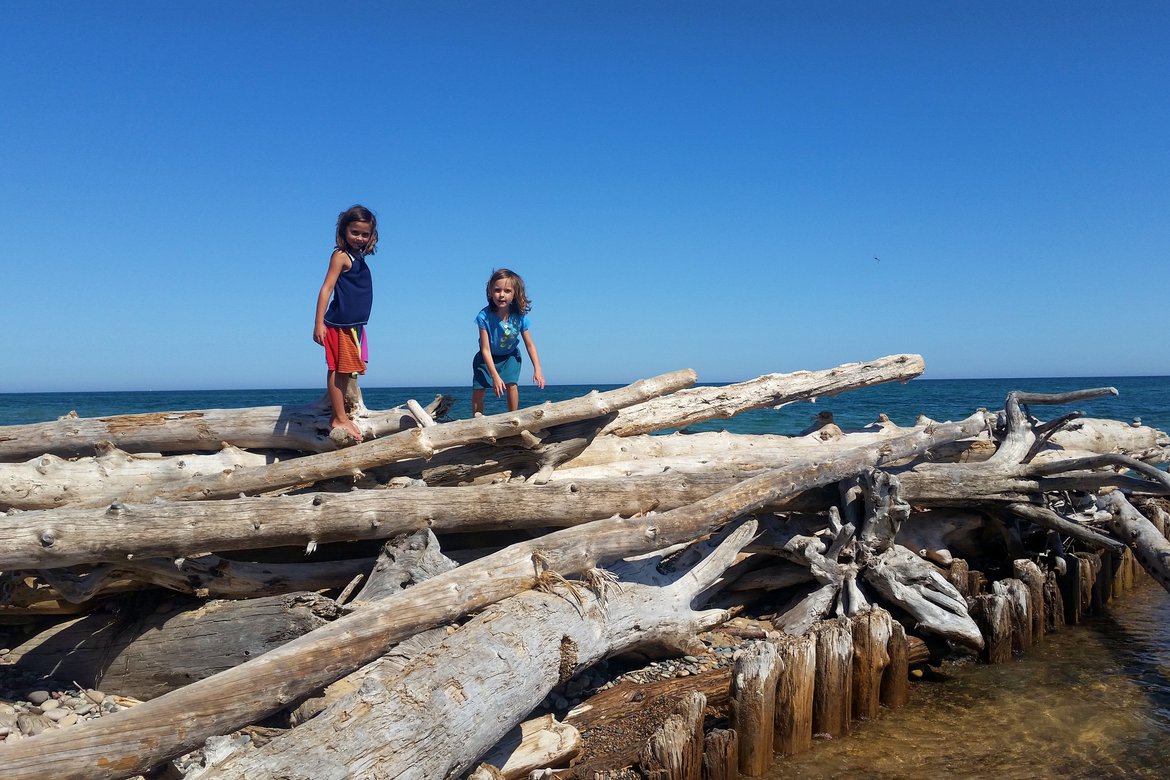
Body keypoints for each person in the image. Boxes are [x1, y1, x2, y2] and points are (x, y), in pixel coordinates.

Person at [313, 205, 377, 442]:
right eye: (354, 232)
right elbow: (326, 290)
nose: (359, 238)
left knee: (348, 371)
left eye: (364, 234)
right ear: (344, 230)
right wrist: (318, 323)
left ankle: (343, 412)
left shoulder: (359, 257)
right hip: (339, 324)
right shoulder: (341, 256)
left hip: (355, 325)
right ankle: (338, 417)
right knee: (336, 369)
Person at [472, 268, 545, 414]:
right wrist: (494, 376)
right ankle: (476, 420)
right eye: (497, 290)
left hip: (510, 356)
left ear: (515, 294)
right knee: (479, 390)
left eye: (507, 291)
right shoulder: (484, 316)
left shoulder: (519, 317)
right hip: (486, 358)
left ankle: (513, 417)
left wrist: (538, 369)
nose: (501, 295)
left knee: (512, 385)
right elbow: (485, 349)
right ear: (490, 292)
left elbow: (530, 345)